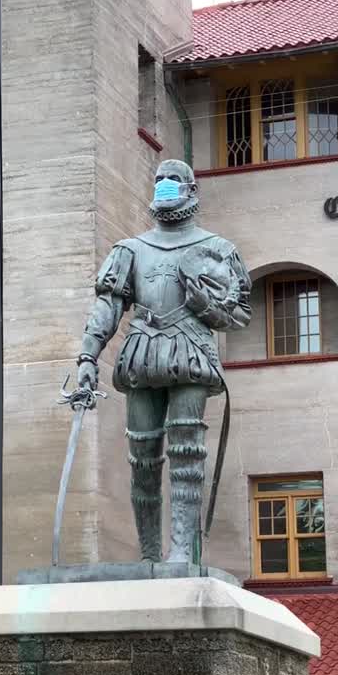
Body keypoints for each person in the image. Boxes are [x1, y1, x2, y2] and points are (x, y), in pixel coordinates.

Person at [76, 159, 251, 564]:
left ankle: (180, 552)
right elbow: (108, 306)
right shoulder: (130, 250)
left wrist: (203, 302)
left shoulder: (217, 250)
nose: (166, 186)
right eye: (159, 179)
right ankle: (149, 553)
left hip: (190, 352)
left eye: (175, 180)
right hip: (141, 354)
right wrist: (88, 355)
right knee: (142, 457)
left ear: (192, 191)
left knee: (187, 452)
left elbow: (239, 314)